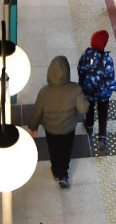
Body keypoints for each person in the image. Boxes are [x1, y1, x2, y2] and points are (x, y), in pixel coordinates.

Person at [29, 55, 88, 188]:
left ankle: (55, 170)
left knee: (53, 149)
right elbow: (83, 109)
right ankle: (63, 174)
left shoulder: (44, 92)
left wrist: (33, 127)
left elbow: (37, 111)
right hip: (68, 128)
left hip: (50, 129)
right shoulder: (75, 89)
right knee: (66, 150)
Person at [77, 30, 116, 138]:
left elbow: (80, 70)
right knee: (103, 112)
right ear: (104, 43)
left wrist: (83, 84)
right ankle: (102, 135)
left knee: (89, 108)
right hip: (103, 94)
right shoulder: (107, 60)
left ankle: (89, 125)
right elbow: (109, 81)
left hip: (88, 91)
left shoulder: (86, 54)